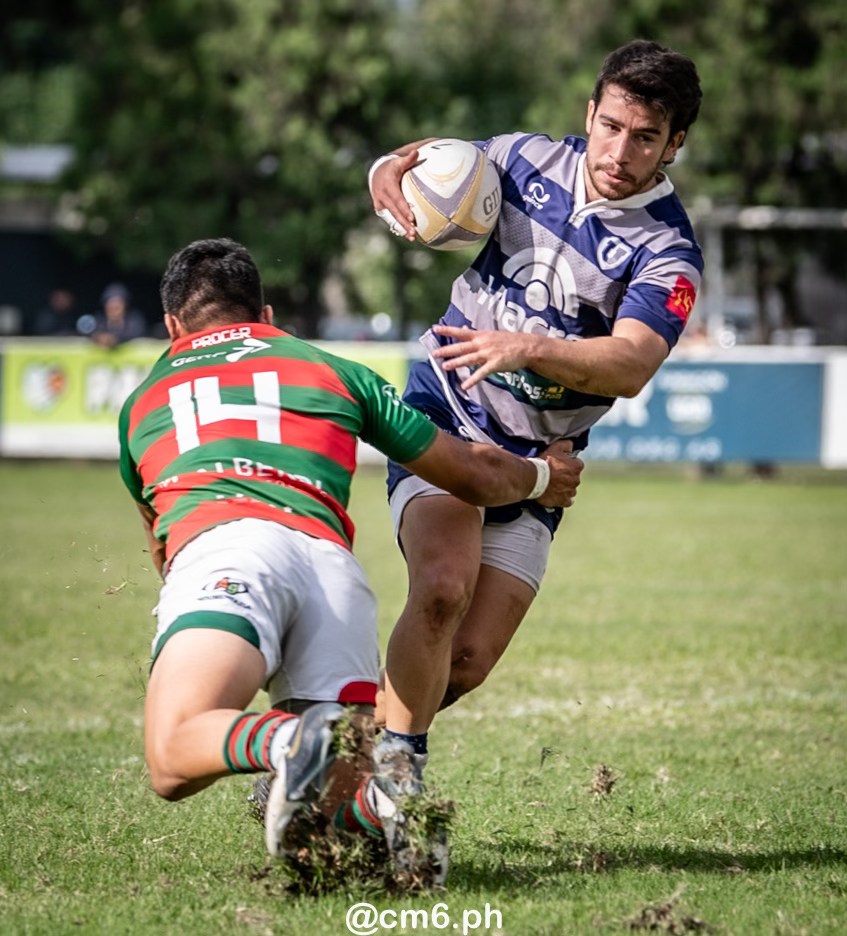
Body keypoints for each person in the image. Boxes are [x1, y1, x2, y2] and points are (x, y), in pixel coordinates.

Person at [118, 238, 582, 875]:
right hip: (333, 576)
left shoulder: (143, 402)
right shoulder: (331, 369)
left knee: (172, 756)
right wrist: (540, 478)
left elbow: (163, 548)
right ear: (267, 316)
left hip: (227, 553)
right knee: (331, 819)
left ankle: (292, 740)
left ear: (173, 327)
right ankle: (389, 813)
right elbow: (470, 473)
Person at [367, 39, 703, 809]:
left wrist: (527, 348)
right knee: (442, 589)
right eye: (610, 126)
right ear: (589, 114)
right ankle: (393, 792)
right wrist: (384, 168)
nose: (618, 152)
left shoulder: (667, 250)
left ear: (673, 144)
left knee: (467, 661)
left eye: (644, 137)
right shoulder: (521, 159)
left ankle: (324, 750)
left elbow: (629, 364)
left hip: (540, 464)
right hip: (447, 410)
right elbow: (422, 161)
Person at [84, 282, 147, 347]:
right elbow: (88, 334)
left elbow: (137, 335)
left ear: (125, 305)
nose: (114, 307)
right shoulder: (98, 321)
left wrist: (115, 339)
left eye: (118, 304)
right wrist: (98, 338)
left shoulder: (135, 320)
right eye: (111, 304)